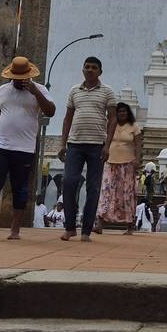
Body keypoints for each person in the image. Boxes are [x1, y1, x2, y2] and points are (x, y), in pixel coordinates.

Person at [0, 56, 55, 241]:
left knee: (20, 188)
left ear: (29, 76)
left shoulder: (39, 89)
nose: (18, 81)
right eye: (15, 78)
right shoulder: (3, 90)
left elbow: (50, 111)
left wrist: (35, 92)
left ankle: (15, 229)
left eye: (22, 78)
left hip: (24, 148)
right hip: (1, 145)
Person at [58, 56, 117, 242]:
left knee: (93, 188)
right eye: (87, 67)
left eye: (94, 67)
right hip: (74, 144)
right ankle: (69, 228)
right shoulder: (74, 91)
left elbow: (113, 119)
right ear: (82, 69)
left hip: (97, 146)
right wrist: (62, 143)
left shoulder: (107, 92)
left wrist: (107, 146)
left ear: (100, 71)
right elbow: (67, 118)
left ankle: (86, 231)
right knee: (68, 183)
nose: (90, 70)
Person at [94, 101, 142, 234]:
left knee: (127, 194)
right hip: (110, 163)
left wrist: (137, 159)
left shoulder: (134, 127)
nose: (122, 113)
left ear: (128, 113)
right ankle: (100, 223)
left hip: (128, 164)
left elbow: (138, 144)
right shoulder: (110, 126)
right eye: (119, 111)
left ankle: (129, 226)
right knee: (106, 192)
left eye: (124, 111)